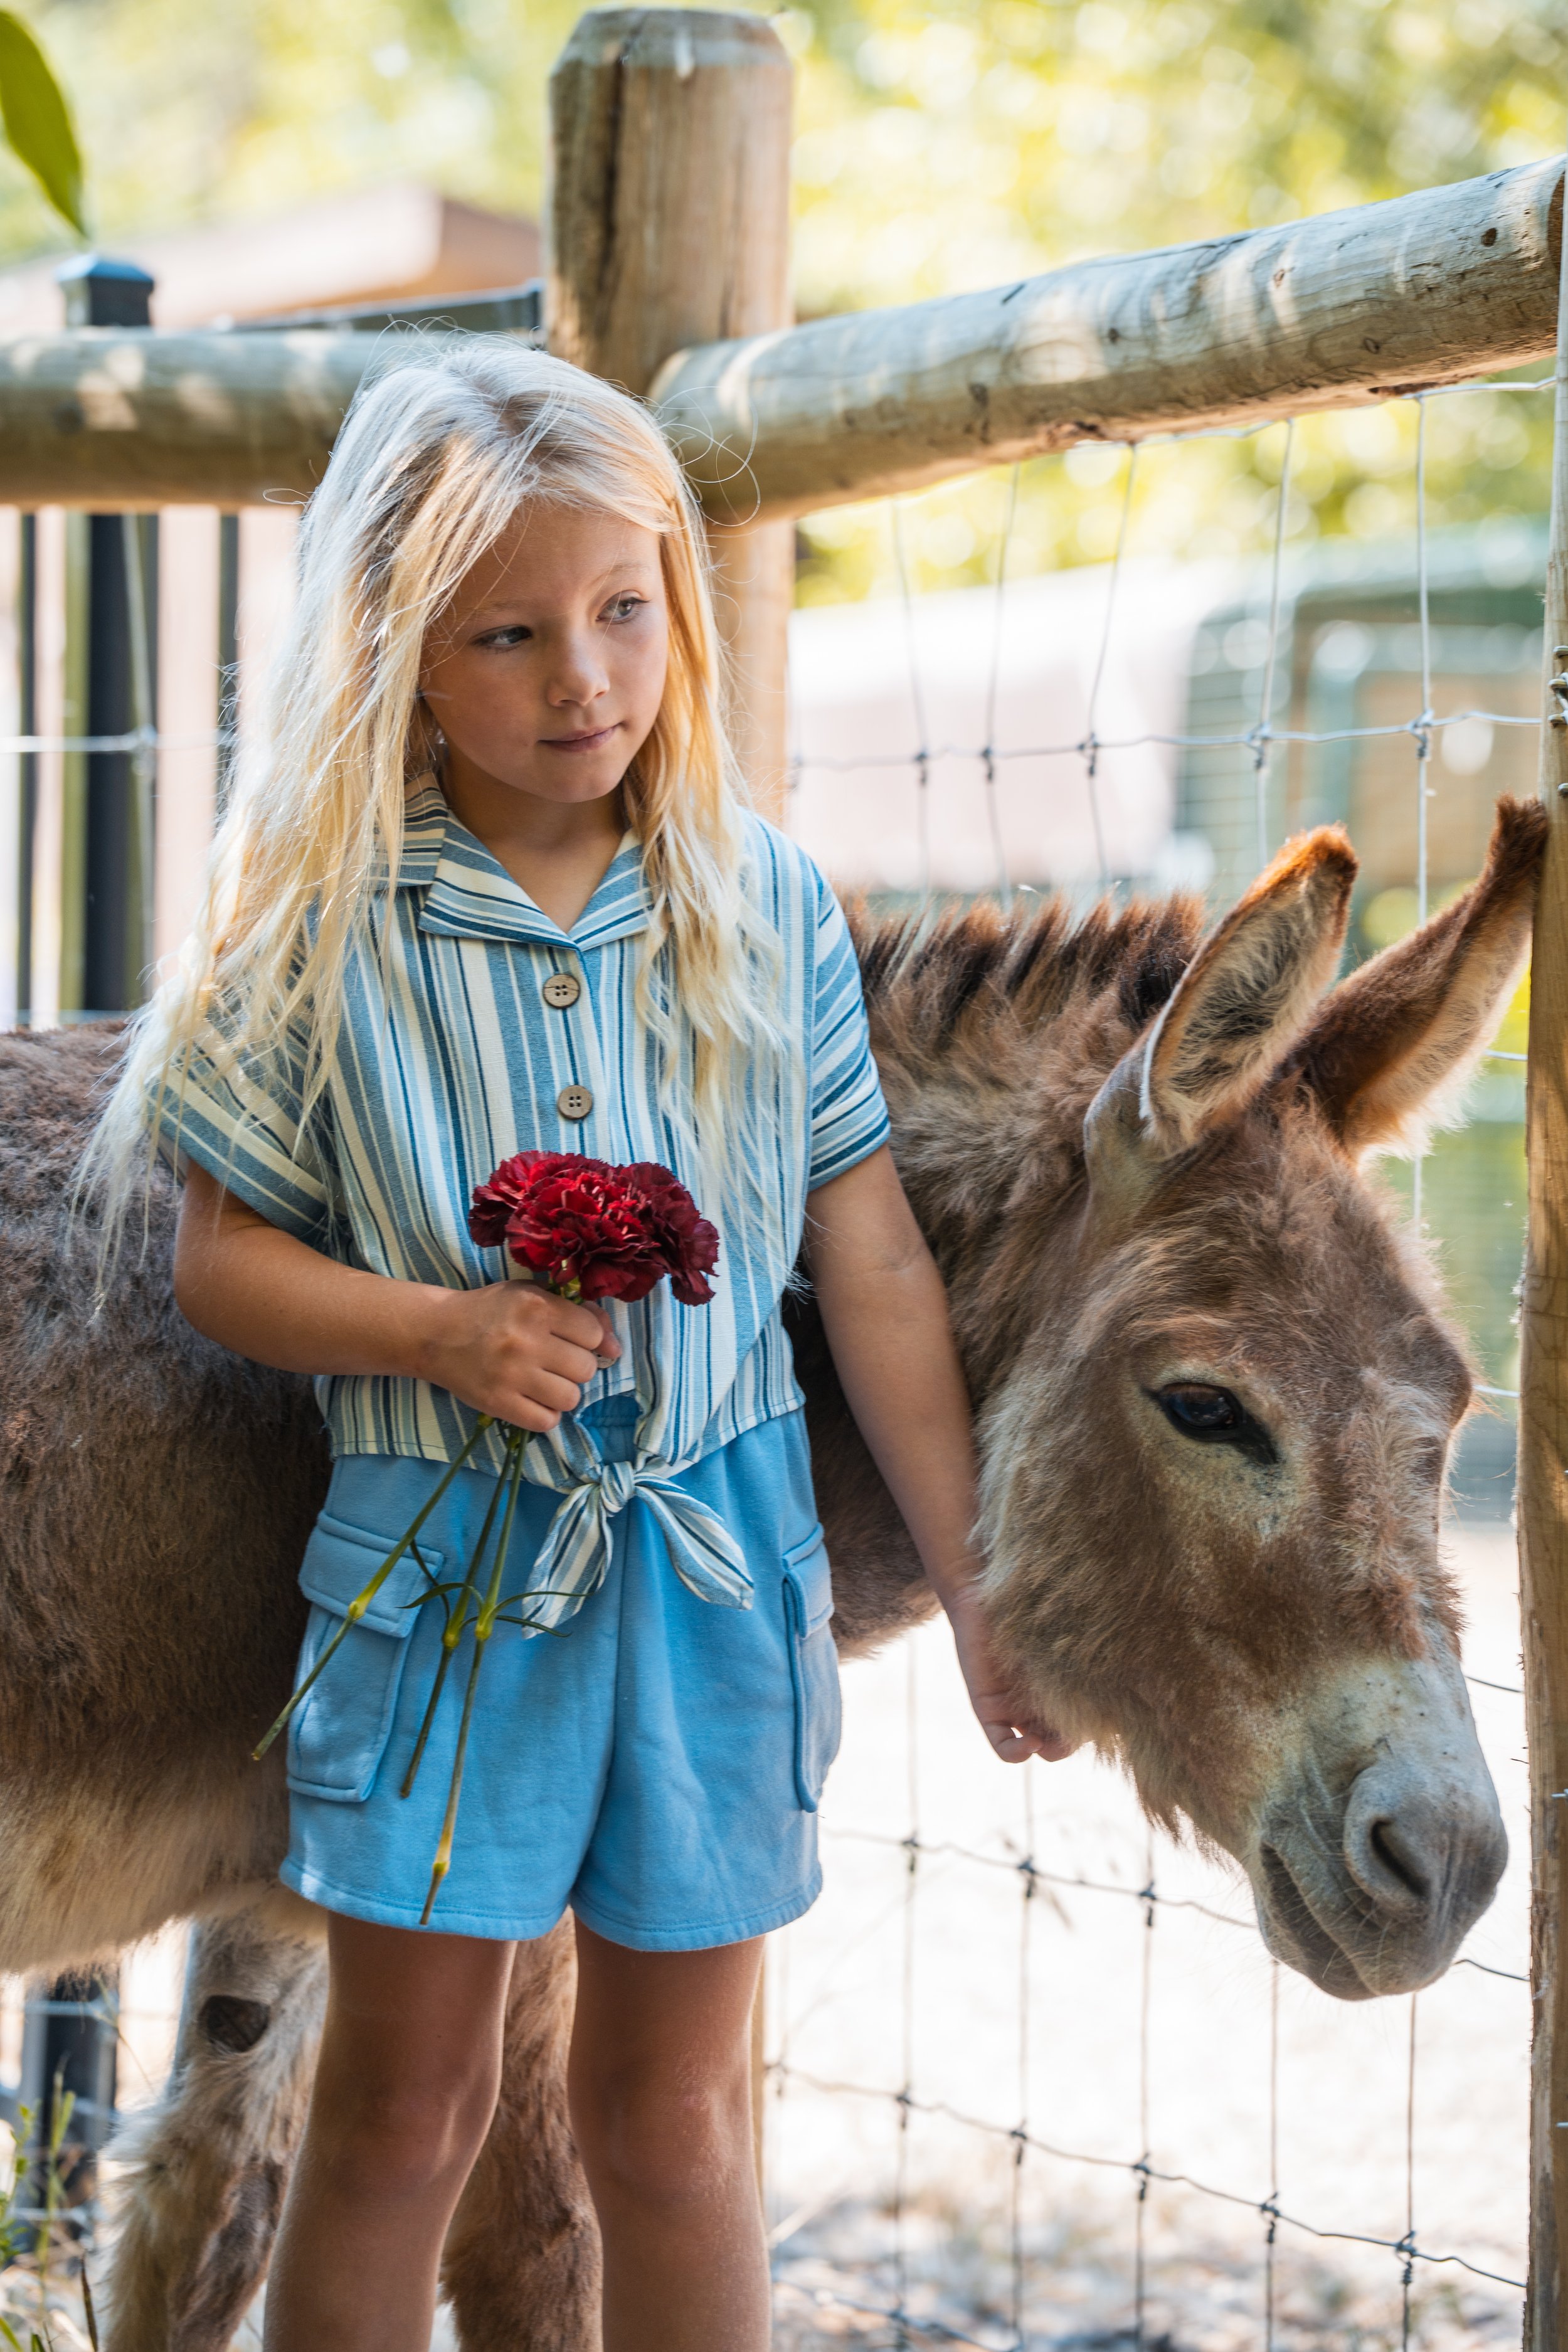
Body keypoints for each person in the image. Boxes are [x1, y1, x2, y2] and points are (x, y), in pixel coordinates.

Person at [92, 342, 1065, 2352]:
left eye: (623, 611)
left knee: (678, 2120)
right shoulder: (316, 933)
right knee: (401, 2114)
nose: (584, 680)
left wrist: (981, 1586)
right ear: (398, 651)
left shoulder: (757, 900)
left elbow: (865, 1258)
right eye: (511, 632)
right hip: (445, 1592)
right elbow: (218, 1262)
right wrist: (437, 1331)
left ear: (678, 608)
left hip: (712, 1592)